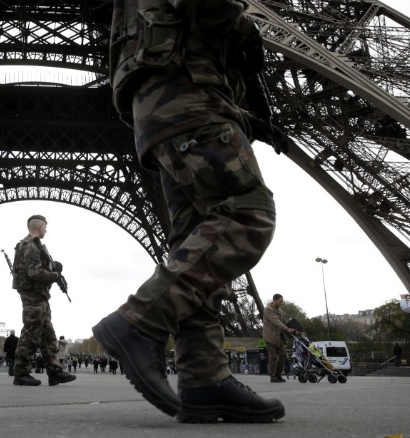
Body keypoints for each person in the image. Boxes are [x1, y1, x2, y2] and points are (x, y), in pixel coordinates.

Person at [93, 0, 287, 421]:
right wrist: (244, 30)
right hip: (189, 92)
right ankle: (140, 319)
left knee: (194, 241)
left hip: (157, 106)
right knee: (248, 212)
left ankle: (204, 379)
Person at [10, 215, 76, 387]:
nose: (46, 230)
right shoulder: (31, 245)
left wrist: (53, 269)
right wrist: (55, 275)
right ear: (39, 227)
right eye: (45, 227)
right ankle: (21, 372)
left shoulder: (32, 245)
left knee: (48, 335)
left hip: (39, 295)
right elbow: (34, 273)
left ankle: (55, 372)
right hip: (33, 295)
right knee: (31, 332)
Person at [263, 294, 298, 383]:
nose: (281, 303)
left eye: (282, 301)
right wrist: (288, 329)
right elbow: (277, 322)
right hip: (270, 336)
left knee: (283, 355)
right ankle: (273, 376)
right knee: (273, 357)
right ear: (274, 300)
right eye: (280, 301)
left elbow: (284, 322)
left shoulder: (280, 310)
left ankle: (278, 375)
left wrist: (295, 330)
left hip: (278, 336)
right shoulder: (268, 310)